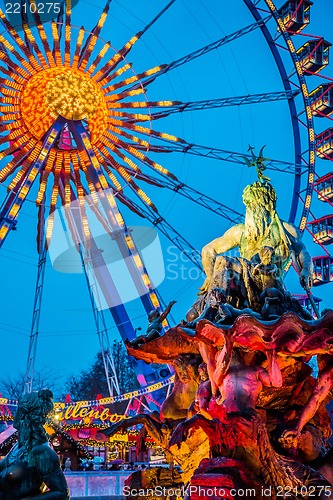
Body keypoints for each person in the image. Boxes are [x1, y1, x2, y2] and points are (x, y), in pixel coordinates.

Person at [200, 179, 313, 297]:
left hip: (271, 279)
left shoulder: (285, 229)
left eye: (254, 204)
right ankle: (215, 300)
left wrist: (306, 270)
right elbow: (208, 250)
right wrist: (211, 277)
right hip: (245, 280)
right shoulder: (240, 231)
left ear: (267, 205)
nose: (250, 209)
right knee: (223, 262)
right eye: (248, 205)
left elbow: (302, 252)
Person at [0, 389, 69, 500]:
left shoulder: (42, 452)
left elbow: (62, 494)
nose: (15, 414)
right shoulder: (18, 447)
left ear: (25, 415)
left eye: (18, 409)